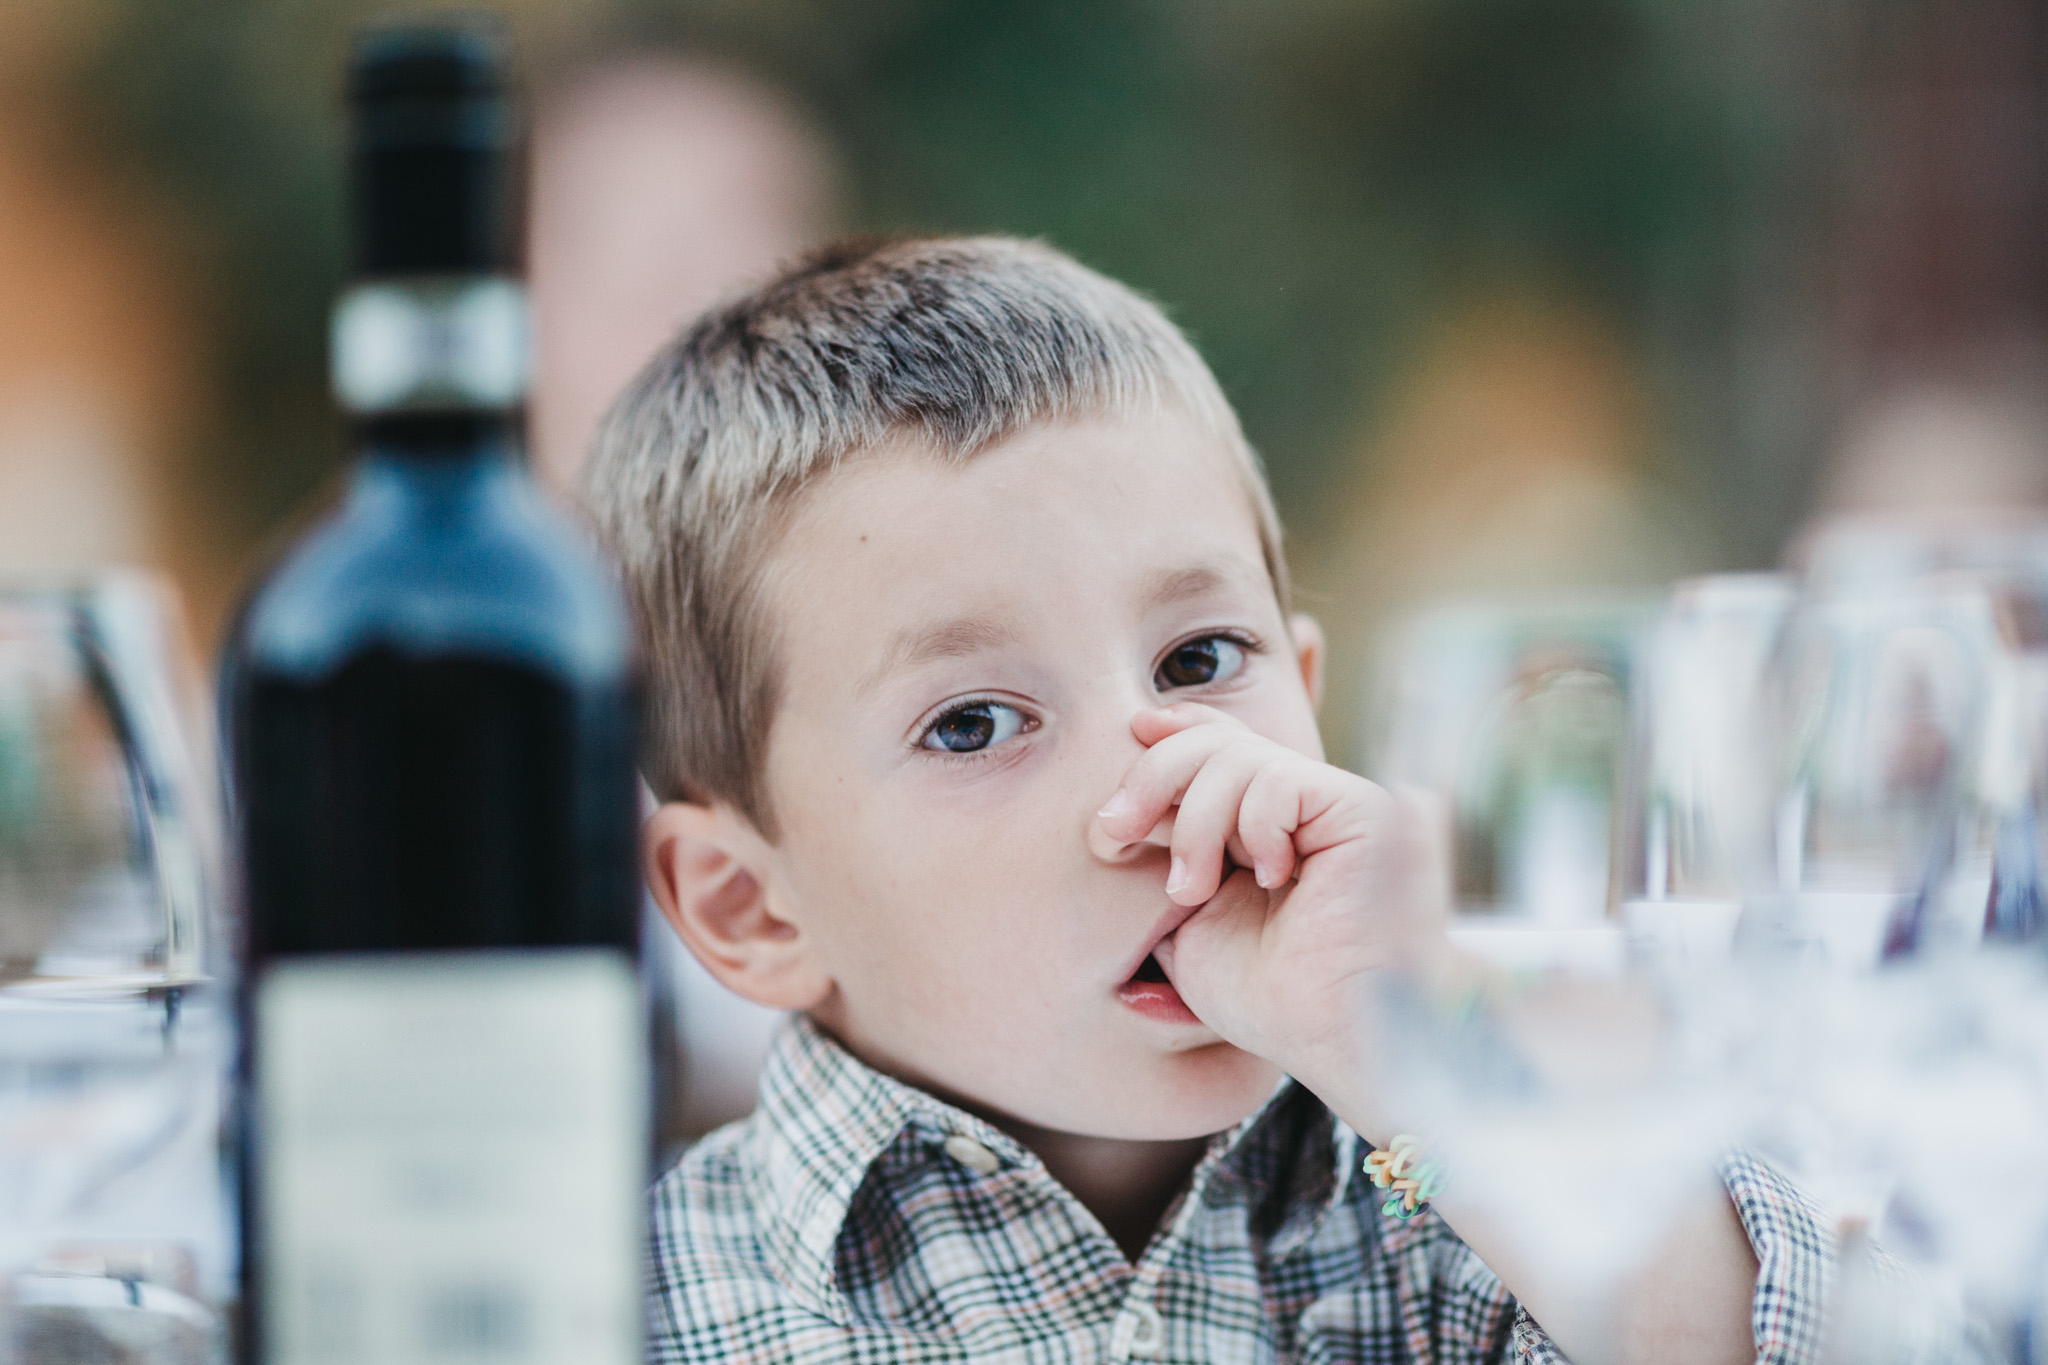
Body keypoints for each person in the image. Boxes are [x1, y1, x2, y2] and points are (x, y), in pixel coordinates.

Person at [579, 237, 1827, 1363]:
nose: (1158, 787)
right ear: (750, 906)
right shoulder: (616, 1309)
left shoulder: (1448, 1200)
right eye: (971, 725)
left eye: (1200, 661)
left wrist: (1420, 1059)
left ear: (1308, 690)